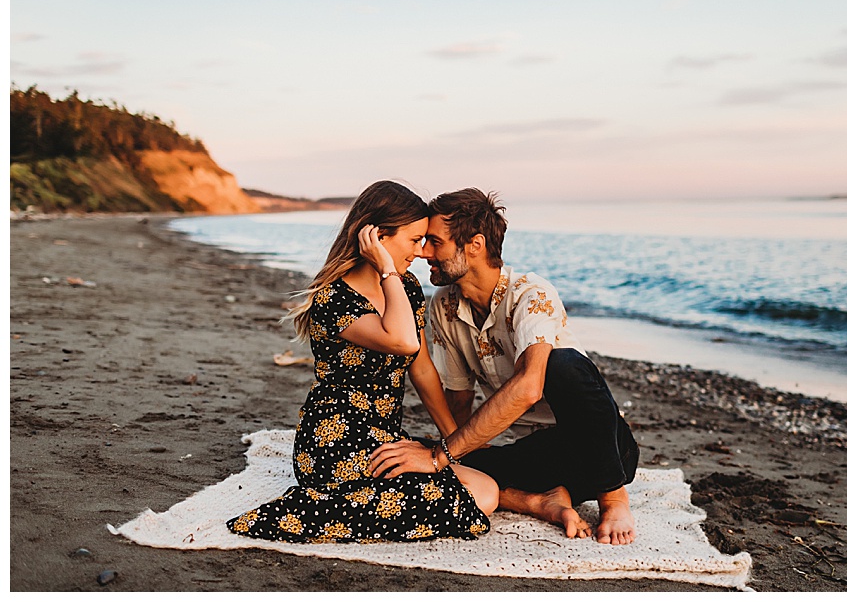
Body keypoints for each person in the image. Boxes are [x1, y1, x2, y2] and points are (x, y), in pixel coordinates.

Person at [227, 181, 497, 544]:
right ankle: (300, 512)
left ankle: (333, 507)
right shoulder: (334, 297)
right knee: (477, 497)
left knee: (480, 484)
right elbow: (402, 342)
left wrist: (453, 442)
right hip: (332, 440)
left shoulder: (407, 288)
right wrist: (386, 269)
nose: (420, 253)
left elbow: (421, 368)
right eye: (413, 240)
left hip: (382, 435)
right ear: (377, 237)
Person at [368, 188, 639, 545]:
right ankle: (540, 500)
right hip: (537, 456)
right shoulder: (444, 305)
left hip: (601, 448)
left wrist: (440, 457)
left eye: (434, 242)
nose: (423, 252)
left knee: (562, 365)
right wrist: (455, 458)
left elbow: (530, 387)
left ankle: (614, 498)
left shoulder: (531, 294)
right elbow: (458, 396)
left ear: (475, 245)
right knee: (402, 455)